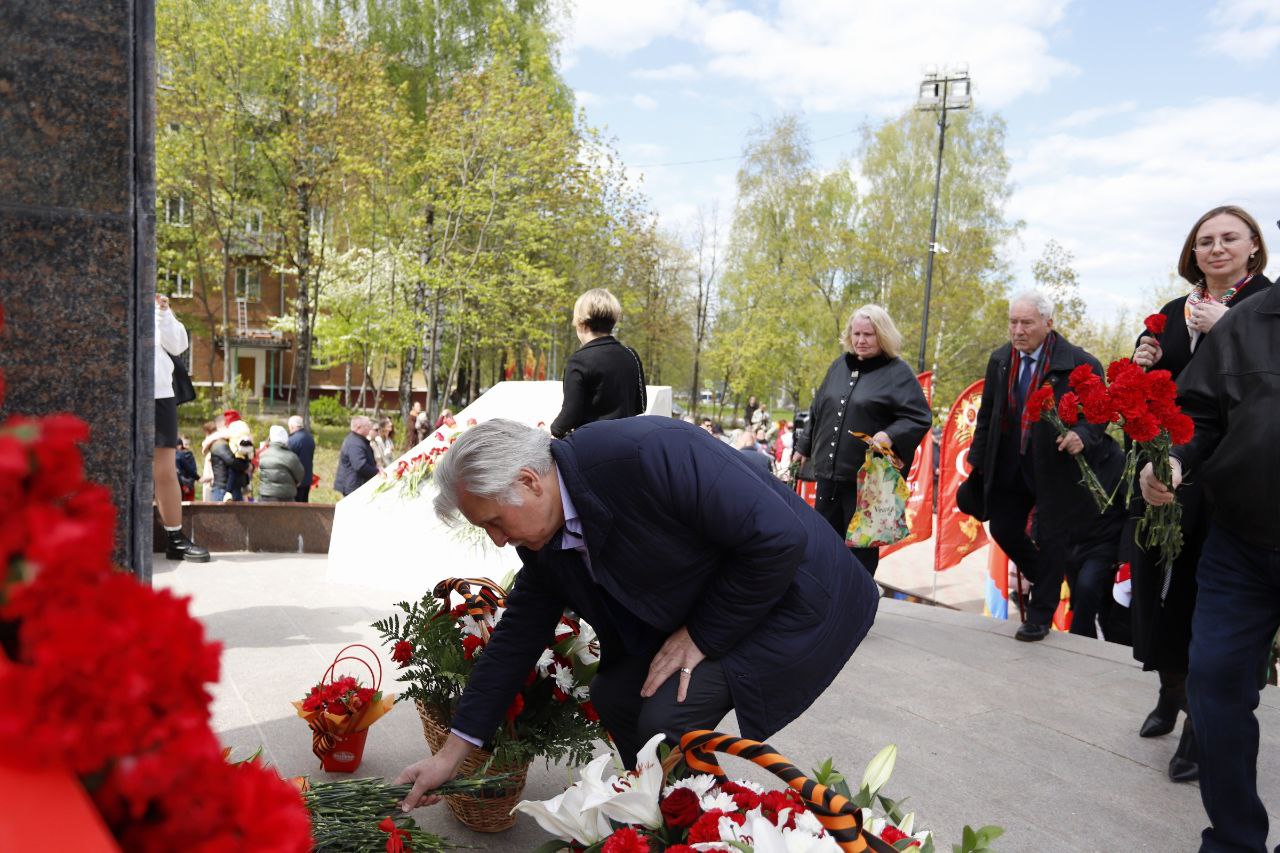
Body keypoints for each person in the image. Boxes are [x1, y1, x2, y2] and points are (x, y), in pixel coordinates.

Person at [393, 417, 880, 810]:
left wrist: (701, 635)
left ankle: (714, 831)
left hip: (794, 592)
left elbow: (778, 540)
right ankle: (682, 819)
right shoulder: (542, 535)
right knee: (616, 694)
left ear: (529, 481)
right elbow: (517, 636)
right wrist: (452, 754)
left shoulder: (646, 454)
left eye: (495, 522)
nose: (498, 540)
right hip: (719, 595)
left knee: (668, 716)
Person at [1140, 258, 1280, 853]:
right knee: (1215, 685)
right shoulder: (1246, 323)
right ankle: (1233, 839)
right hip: (1242, 544)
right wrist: (1173, 458)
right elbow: (1200, 414)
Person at [960, 291, 1125, 642]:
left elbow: (1100, 414)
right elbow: (988, 415)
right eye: (1013, 322)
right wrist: (977, 462)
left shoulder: (1079, 364)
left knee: (1052, 540)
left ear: (1048, 324)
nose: (1018, 330)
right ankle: (1048, 578)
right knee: (1004, 529)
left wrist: (1083, 434)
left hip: (1055, 467)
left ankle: (1039, 616)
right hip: (1009, 465)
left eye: (1026, 323)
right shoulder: (1001, 360)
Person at [792, 305, 931, 577]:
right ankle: (825, 609)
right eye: (856, 333)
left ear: (883, 335)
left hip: (867, 483)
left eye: (868, 334)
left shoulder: (897, 372)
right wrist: (803, 447)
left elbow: (919, 417)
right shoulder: (839, 365)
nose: (860, 340)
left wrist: (891, 434)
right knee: (823, 546)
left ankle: (856, 609)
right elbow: (819, 407)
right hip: (829, 476)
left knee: (859, 555)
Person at [152, 295, 209, 562]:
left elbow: (178, 345)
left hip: (160, 394)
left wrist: (163, 313)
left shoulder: (156, 307)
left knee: (164, 468)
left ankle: (175, 539)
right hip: (122, 390)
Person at [550, 288, 647, 438]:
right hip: (630, 444)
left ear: (581, 323)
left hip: (593, 448)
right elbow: (641, 405)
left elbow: (570, 414)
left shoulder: (579, 361)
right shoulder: (631, 355)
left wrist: (552, 430)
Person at [257, 425, 305, 502]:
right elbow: (300, 475)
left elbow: (260, 474)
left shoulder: (263, 455)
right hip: (286, 497)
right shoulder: (291, 457)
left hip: (265, 496)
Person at [335, 415, 379, 497]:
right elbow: (360, 466)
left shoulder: (359, 440)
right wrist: (377, 472)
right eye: (368, 426)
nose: (370, 429)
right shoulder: (354, 443)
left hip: (356, 484)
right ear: (359, 428)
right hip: (353, 486)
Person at [287, 414, 315, 502]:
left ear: (291, 426)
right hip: (307, 478)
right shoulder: (310, 438)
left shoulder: (292, 440)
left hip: (296, 480)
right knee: (304, 504)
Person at [175, 436, 198, 502]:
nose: (186, 446)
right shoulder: (176, 455)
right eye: (185, 444)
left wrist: (188, 486)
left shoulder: (189, 455)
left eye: (188, 444)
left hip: (185, 485)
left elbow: (192, 471)